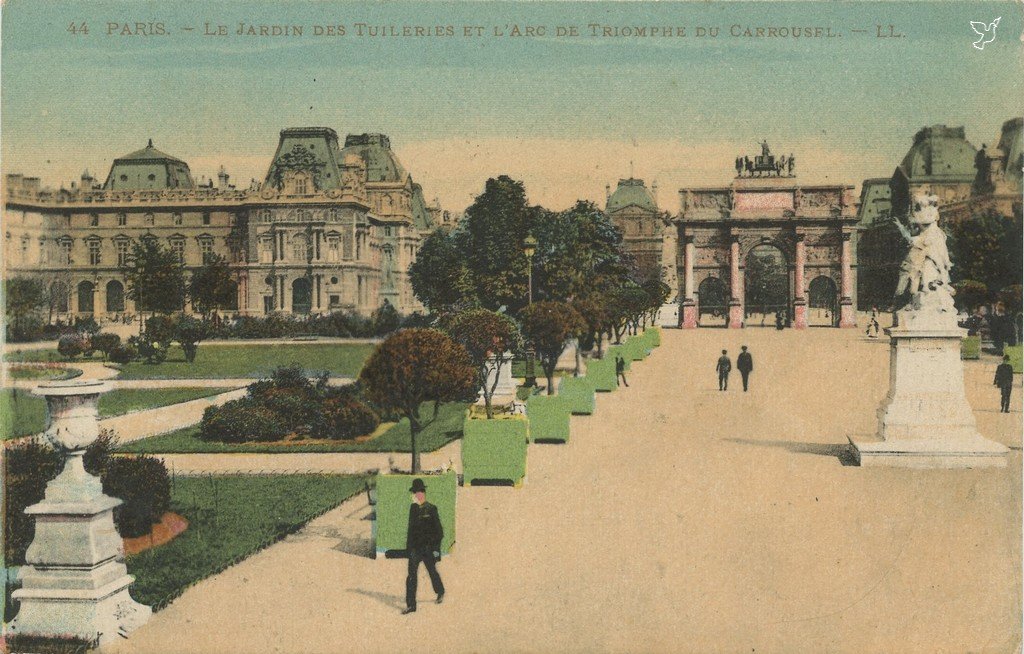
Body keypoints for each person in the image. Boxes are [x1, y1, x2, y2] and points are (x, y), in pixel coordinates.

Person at [402, 478, 445, 614]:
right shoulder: (412, 509)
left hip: (427, 548)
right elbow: (410, 530)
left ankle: (440, 591)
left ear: (423, 493)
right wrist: (409, 549)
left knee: (432, 571)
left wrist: (435, 550)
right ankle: (411, 605)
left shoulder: (431, 509)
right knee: (411, 576)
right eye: (415, 493)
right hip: (415, 549)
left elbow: (439, 532)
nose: (416, 495)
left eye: (419, 492)